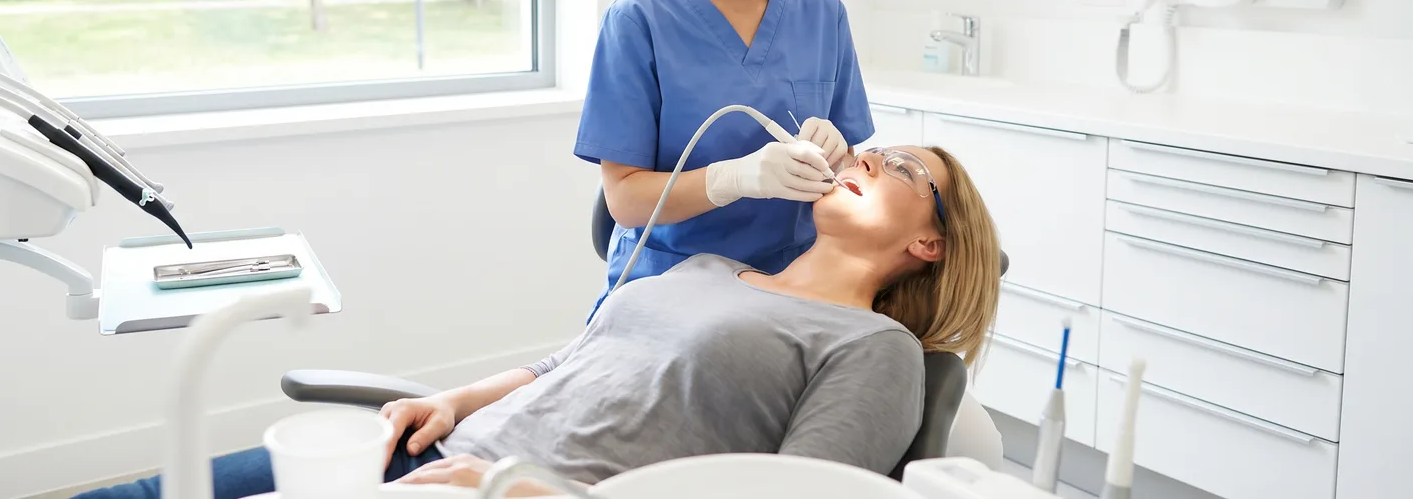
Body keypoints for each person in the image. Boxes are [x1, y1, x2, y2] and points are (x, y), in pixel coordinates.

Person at [76, 145, 1001, 498]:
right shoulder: (711, 264)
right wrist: (453, 397)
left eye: (905, 169)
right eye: (875, 147)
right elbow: (572, 362)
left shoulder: (875, 350)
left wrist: (524, 489)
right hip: (432, 449)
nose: (870, 154)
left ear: (930, 244)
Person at [574, 0, 874, 318]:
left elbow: (853, 168)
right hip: (670, 292)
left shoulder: (823, 14)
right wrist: (736, 178)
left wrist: (838, 153)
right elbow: (624, 199)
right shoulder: (640, 20)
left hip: (792, 288)